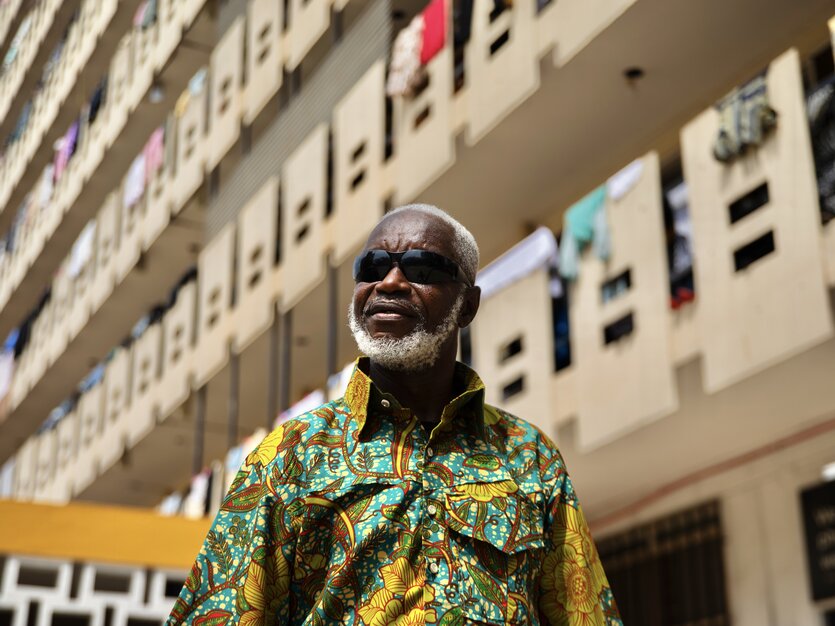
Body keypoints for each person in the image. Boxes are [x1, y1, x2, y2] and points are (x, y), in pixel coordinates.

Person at [168, 204, 622, 625]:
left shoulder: (530, 457)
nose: (389, 283)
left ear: (468, 304)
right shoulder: (289, 456)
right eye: (373, 268)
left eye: (422, 268)